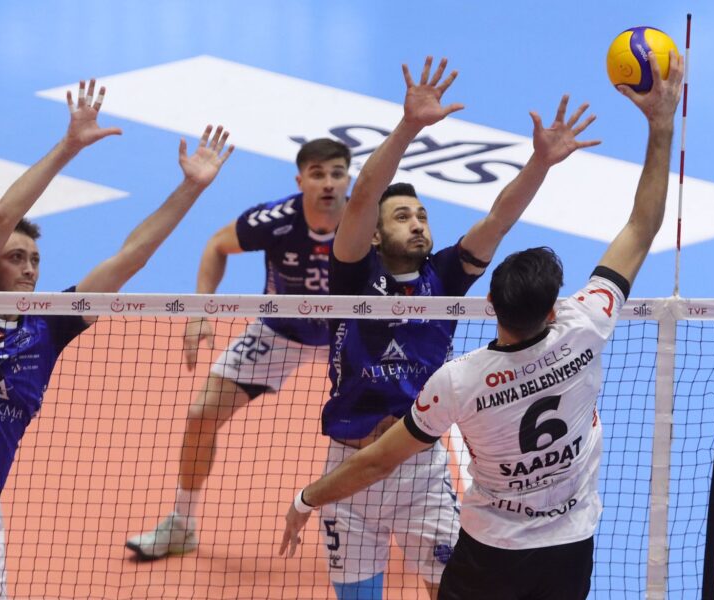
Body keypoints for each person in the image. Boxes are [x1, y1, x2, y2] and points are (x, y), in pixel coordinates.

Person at [281, 50, 683, 600]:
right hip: (352, 465)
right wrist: (408, 127)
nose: (417, 223)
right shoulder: (353, 275)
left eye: (422, 215)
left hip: (419, 468)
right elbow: (363, 199)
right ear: (375, 234)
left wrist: (540, 162)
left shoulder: (445, 278)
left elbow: (499, 218)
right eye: (402, 216)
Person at [0, 79, 234, 599]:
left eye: (35, 259)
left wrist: (191, 189)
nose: (29, 268)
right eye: (15, 257)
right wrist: (68, 148)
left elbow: (131, 258)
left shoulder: (50, 326)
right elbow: (2, 217)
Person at [125, 137, 353, 559]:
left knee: (390, 422)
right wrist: (200, 311)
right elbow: (217, 245)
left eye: (336, 174)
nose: (328, 183)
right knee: (201, 415)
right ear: (300, 181)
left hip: (348, 334)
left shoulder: (366, 222)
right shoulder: (275, 220)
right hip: (279, 332)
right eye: (317, 174)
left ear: (348, 179)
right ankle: (181, 525)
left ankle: (404, 516)